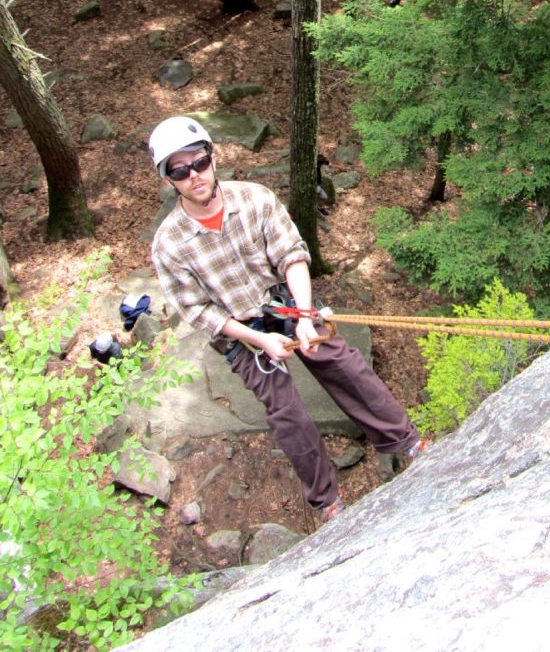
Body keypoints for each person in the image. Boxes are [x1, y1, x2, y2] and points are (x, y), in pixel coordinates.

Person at [148, 115, 429, 524]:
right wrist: (258, 340)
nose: (194, 175)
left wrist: (301, 316)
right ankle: (326, 501)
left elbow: (291, 255)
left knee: (340, 360)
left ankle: (404, 441)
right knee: (286, 412)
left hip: (282, 304)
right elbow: (197, 310)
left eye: (199, 162)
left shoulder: (255, 199)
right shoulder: (169, 243)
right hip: (240, 331)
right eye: (180, 169)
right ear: (168, 180)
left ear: (213, 156)